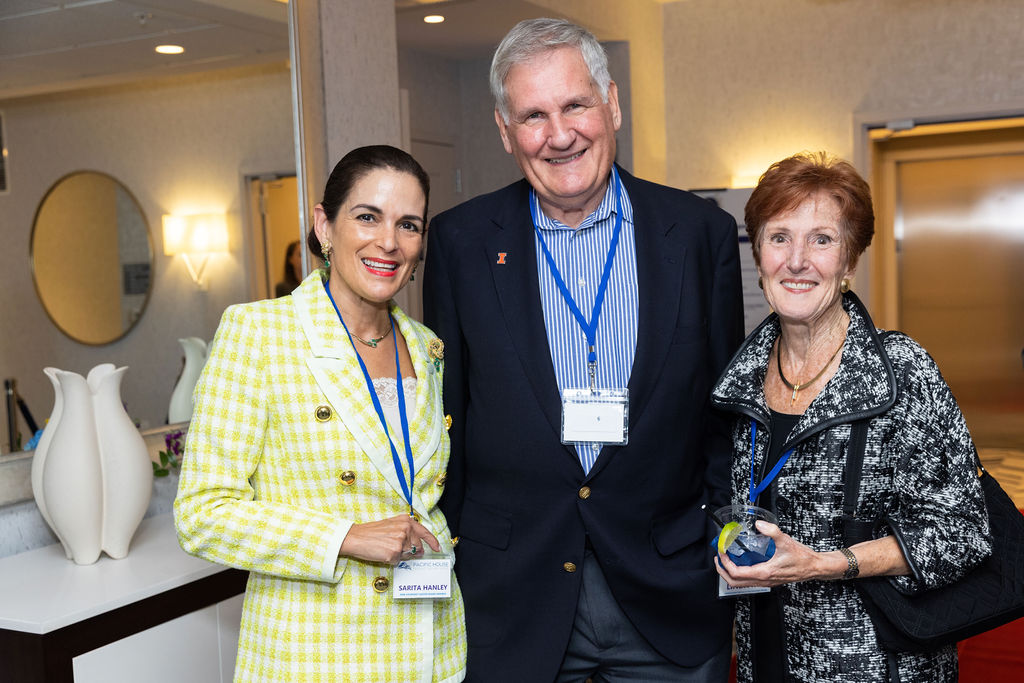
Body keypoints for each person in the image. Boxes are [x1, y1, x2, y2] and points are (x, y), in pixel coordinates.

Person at [423, 18, 744, 682]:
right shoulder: (460, 243)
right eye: (533, 116)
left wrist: (722, 538)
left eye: (575, 105)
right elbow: (447, 419)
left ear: (612, 105)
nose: (560, 134)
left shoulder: (699, 234)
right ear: (505, 130)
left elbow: (725, 416)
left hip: (669, 593)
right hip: (512, 599)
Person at [175, 145, 467, 683]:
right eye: (367, 217)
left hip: (432, 645)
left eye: (408, 225)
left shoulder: (428, 347)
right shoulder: (259, 334)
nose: (389, 242)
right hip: (318, 652)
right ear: (324, 225)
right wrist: (346, 536)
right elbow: (202, 514)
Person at [710, 152, 992, 682]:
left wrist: (824, 563)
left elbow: (962, 532)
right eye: (779, 238)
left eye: (822, 240)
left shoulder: (902, 370)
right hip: (763, 652)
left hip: (875, 661)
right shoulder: (736, 380)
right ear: (759, 257)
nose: (797, 261)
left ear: (850, 263)